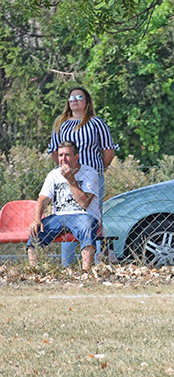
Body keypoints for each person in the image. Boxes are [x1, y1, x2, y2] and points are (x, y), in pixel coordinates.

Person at [48, 87, 118, 266]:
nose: (75, 100)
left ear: (86, 101)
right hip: (67, 179)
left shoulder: (96, 123)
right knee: (67, 215)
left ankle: (91, 264)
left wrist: (96, 172)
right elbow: (55, 151)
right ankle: (67, 264)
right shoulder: (60, 123)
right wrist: (63, 170)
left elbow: (108, 152)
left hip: (90, 178)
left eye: (79, 97)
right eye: (71, 97)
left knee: (91, 217)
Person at [28, 142, 100, 271]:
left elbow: (85, 203)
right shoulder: (53, 174)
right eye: (61, 155)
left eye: (67, 155)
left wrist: (71, 179)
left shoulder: (90, 173)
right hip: (59, 216)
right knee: (36, 231)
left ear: (76, 156)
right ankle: (33, 271)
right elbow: (43, 199)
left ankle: (86, 272)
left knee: (87, 227)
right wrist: (37, 219)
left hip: (83, 215)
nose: (63, 159)